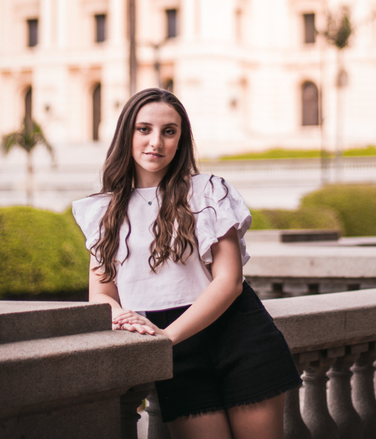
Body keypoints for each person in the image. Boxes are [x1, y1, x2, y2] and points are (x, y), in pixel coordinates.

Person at [72, 88, 301, 439]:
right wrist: (121, 315)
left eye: (169, 131)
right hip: (176, 357)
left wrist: (167, 337)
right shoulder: (103, 211)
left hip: (238, 335)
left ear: (181, 140)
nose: (156, 142)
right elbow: (101, 295)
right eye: (144, 129)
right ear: (126, 134)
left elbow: (229, 281)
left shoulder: (207, 191)